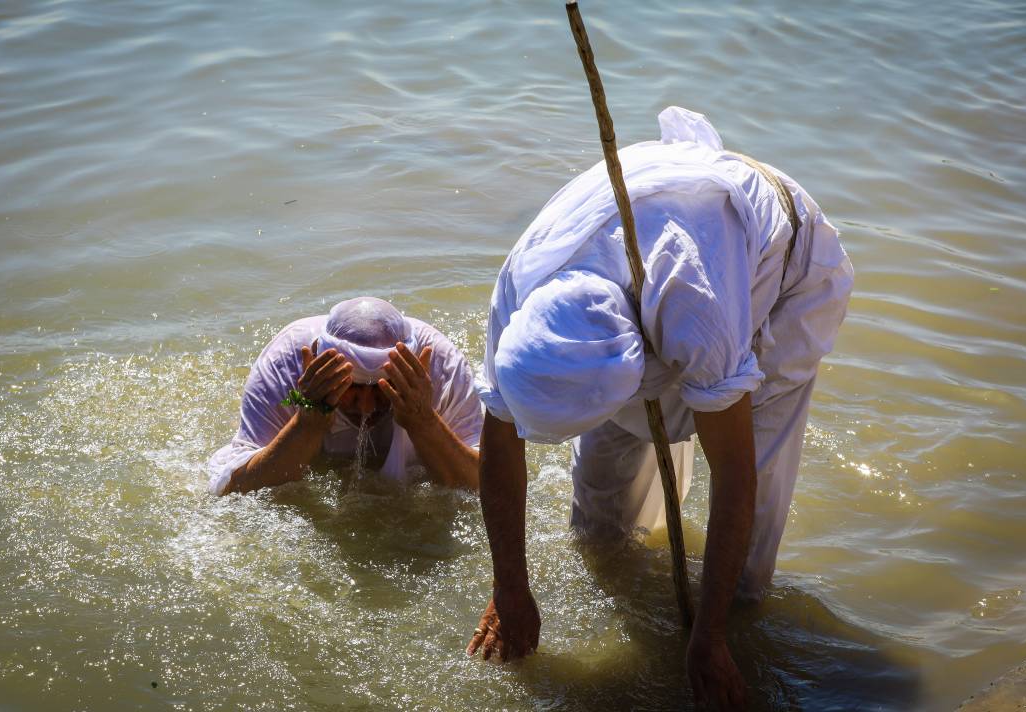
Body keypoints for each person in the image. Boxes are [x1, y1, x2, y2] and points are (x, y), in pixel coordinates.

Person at [466, 107, 854, 709]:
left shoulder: (693, 301)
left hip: (781, 269)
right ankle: (622, 545)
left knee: (754, 513)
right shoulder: (520, 295)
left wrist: (712, 637)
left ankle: (741, 609)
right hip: (666, 238)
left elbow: (736, 474)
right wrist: (509, 587)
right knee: (598, 531)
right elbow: (500, 435)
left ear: (630, 375)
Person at [207, 297, 483, 495]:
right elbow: (231, 489)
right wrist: (307, 424)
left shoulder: (439, 366)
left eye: (380, 389)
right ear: (319, 364)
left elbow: (485, 483)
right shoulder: (286, 363)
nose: (366, 406)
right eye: (352, 387)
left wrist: (424, 421)